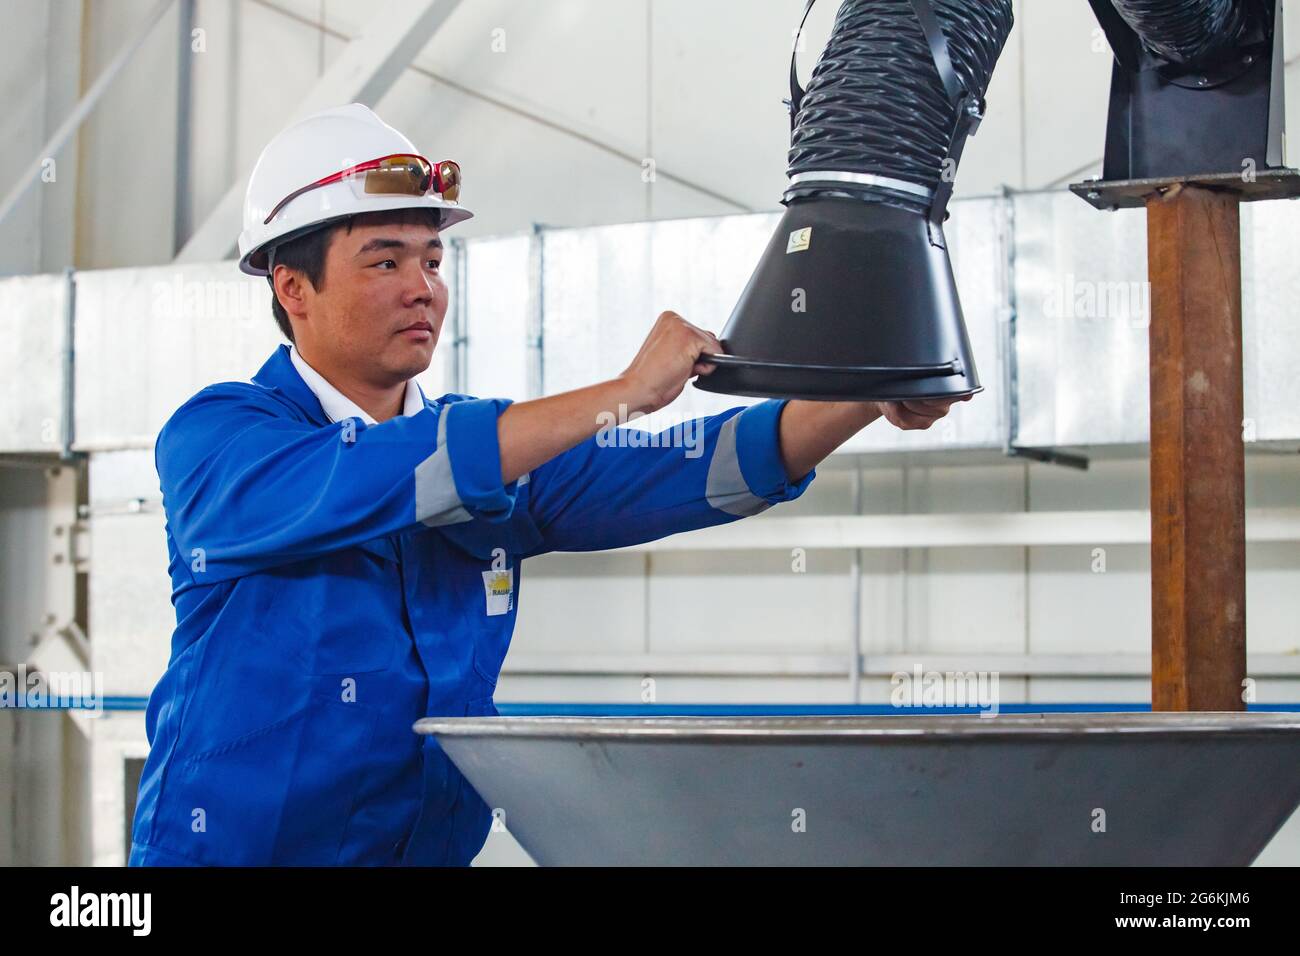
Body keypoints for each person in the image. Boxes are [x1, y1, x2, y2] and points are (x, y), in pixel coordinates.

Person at [128, 103, 968, 866]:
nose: (423, 287)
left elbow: (683, 464)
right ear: (292, 287)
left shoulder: (494, 456)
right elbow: (371, 473)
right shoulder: (221, 439)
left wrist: (870, 392)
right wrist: (620, 392)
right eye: (385, 261)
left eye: (431, 257)